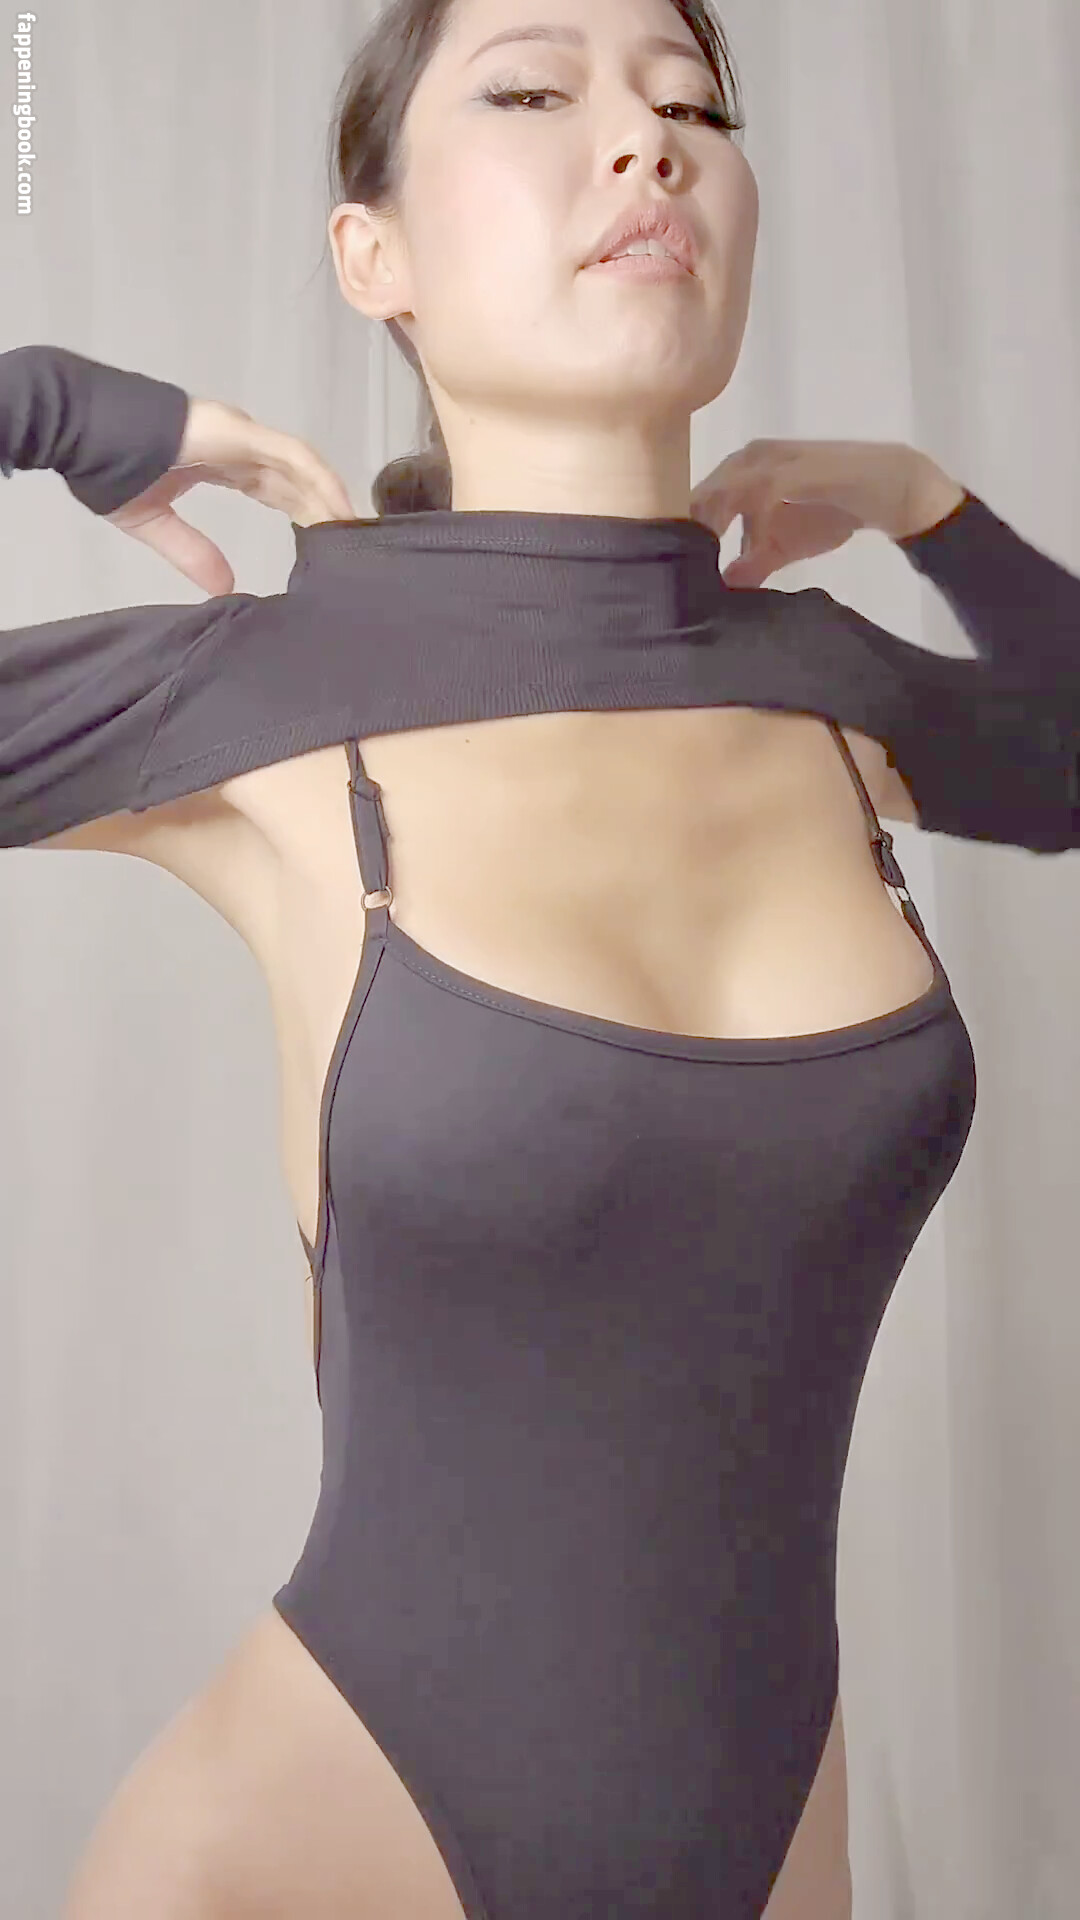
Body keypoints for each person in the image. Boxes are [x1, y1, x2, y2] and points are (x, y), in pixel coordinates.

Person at [4, 2, 1078, 1917]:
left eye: (693, 104)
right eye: (530, 89)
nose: (648, 140)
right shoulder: (256, 699)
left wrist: (924, 501)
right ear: (375, 256)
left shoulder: (833, 693)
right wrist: (52, 407)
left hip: (777, 1850)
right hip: (319, 1850)